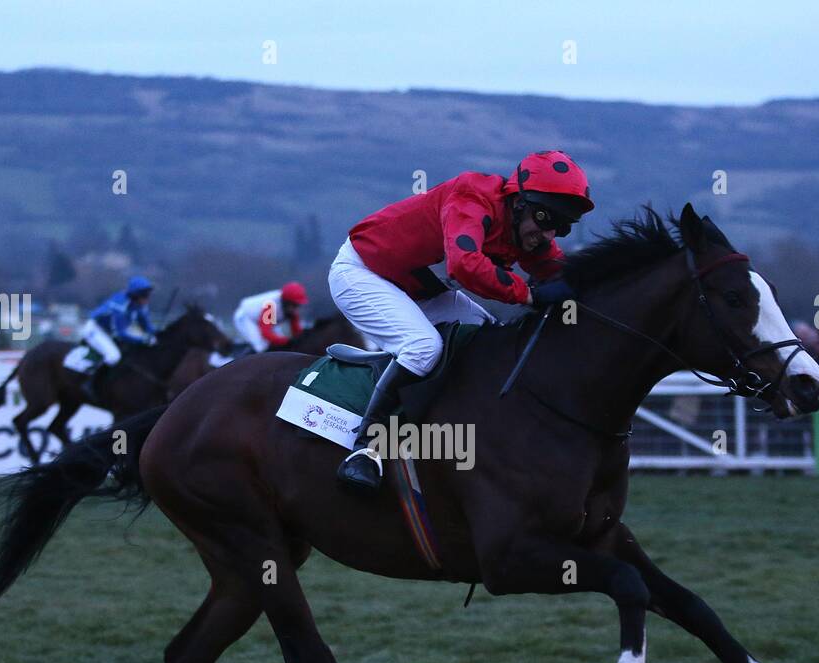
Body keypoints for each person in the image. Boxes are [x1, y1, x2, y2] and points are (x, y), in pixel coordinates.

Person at [329, 149, 591, 492]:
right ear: (520, 203)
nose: (548, 234)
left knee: (490, 340)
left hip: (418, 288)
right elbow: (464, 264)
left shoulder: (527, 228)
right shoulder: (473, 197)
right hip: (363, 273)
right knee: (423, 347)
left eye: (562, 226)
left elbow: (558, 273)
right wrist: (529, 295)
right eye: (545, 218)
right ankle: (365, 448)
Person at [78, 275, 158, 401]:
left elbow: (147, 326)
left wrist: (158, 334)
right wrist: (144, 340)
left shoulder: (140, 305)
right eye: (145, 295)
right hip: (96, 329)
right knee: (113, 356)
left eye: (148, 294)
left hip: (111, 331)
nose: (148, 298)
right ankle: (89, 384)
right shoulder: (120, 306)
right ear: (136, 295)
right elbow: (120, 334)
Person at [232, 282, 308, 353]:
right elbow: (266, 332)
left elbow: (297, 331)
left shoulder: (291, 309)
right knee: (261, 346)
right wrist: (286, 341)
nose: (296, 308)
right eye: (294, 305)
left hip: (263, 321)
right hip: (246, 317)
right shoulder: (270, 306)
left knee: (277, 342)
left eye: (298, 305)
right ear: (286, 301)